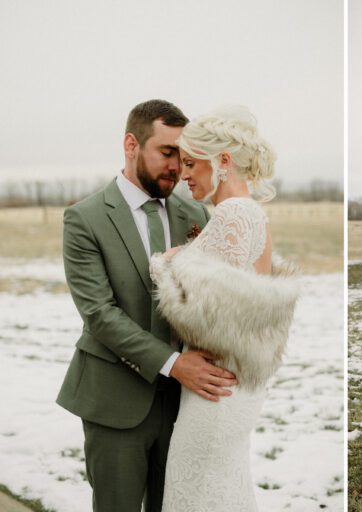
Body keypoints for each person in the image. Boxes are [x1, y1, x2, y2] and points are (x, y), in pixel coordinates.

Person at [56, 99, 234, 511]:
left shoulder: (196, 215)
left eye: (185, 157)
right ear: (131, 145)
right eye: (167, 153)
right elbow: (99, 314)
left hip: (185, 407)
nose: (177, 166)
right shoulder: (85, 219)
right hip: (115, 401)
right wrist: (174, 364)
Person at [148, 105, 299, 511]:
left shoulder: (234, 213)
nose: (184, 174)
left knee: (197, 489)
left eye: (192, 163)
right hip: (233, 382)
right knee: (223, 487)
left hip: (216, 386)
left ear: (224, 161)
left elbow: (212, 311)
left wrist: (165, 264)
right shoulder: (252, 213)